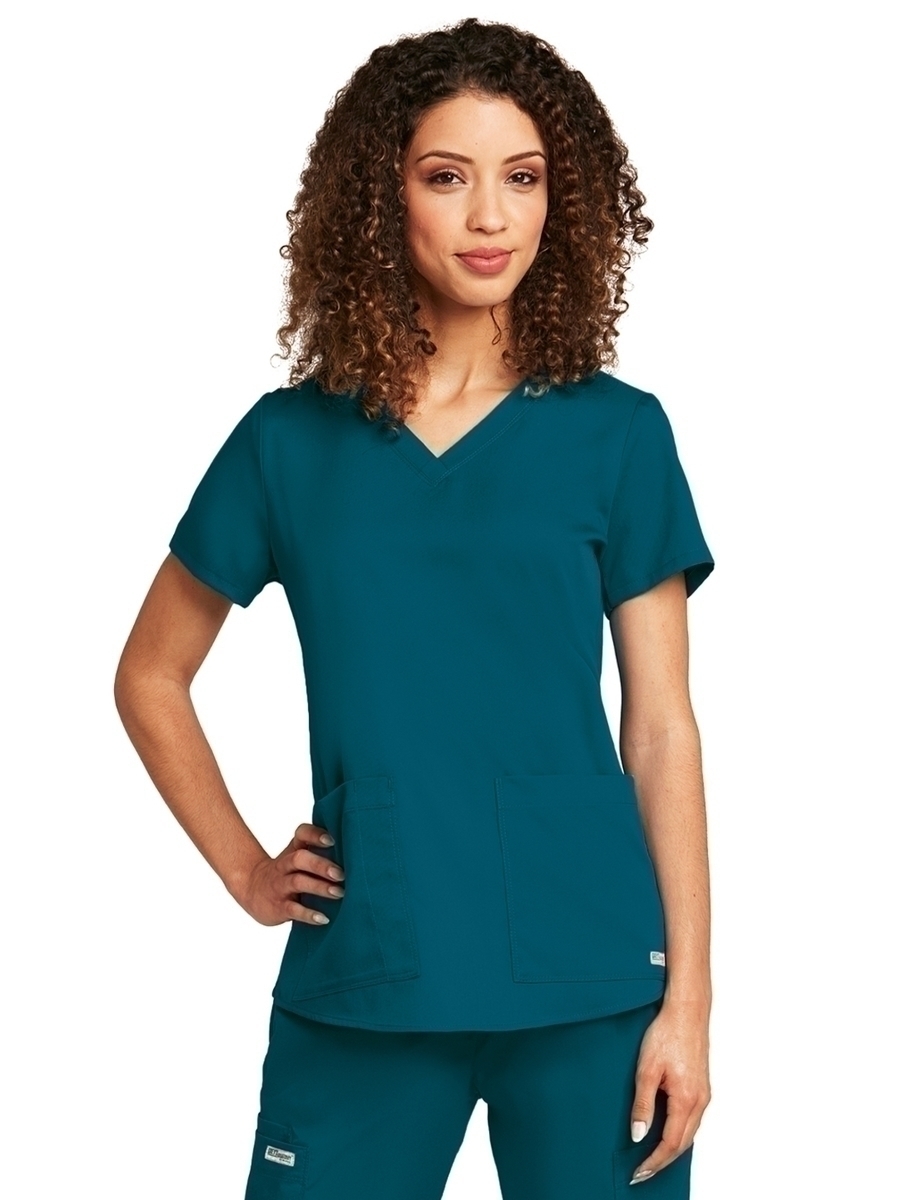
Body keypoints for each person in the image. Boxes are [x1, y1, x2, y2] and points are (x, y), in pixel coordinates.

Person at [114, 18, 715, 1199]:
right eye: (448, 177)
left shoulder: (618, 434)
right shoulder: (288, 442)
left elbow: (661, 727)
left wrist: (688, 1002)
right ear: (380, 197)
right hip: (371, 965)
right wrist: (245, 869)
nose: (491, 216)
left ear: (562, 201)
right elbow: (149, 674)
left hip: (593, 976)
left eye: (523, 178)